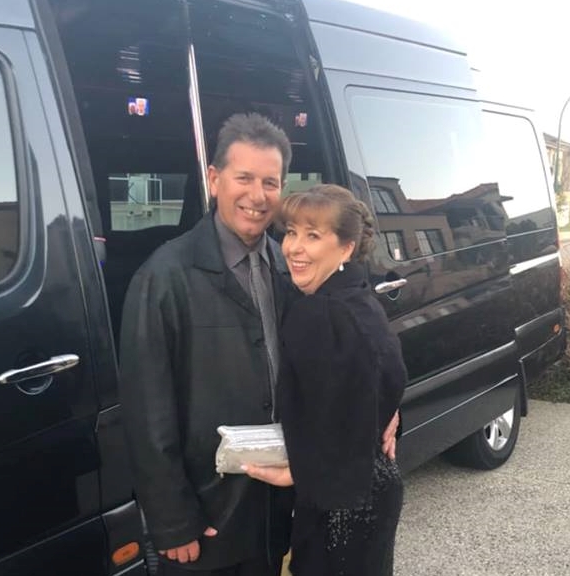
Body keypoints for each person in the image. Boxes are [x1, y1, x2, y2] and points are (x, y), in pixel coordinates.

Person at [119, 113, 400, 575]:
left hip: (277, 507)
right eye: (244, 178)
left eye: (270, 182)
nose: (257, 195)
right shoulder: (164, 278)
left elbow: (347, 353)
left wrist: (382, 406)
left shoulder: (292, 267)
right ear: (214, 179)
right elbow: (147, 412)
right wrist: (171, 521)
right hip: (210, 514)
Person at [244, 184, 407, 576]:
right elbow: (386, 375)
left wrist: (301, 470)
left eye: (313, 236)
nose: (294, 248)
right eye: (291, 232)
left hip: (339, 504)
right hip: (376, 484)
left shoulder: (317, 313)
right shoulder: (361, 298)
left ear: (346, 248)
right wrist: (386, 412)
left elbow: (331, 411)